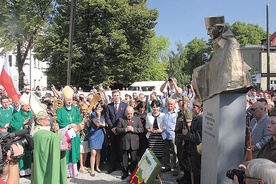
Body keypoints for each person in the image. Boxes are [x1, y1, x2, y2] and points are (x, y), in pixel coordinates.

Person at [192, 16, 252, 103]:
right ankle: (205, 101)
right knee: (197, 71)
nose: (208, 33)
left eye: (210, 29)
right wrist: (207, 63)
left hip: (228, 83)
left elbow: (231, 66)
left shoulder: (232, 43)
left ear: (220, 28)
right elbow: (217, 64)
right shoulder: (217, 47)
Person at [29, 93, 84, 184]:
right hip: (45, 166)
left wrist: (56, 131)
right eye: (45, 118)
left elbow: (54, 137)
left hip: (47, 161)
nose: (48, 119)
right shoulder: (40, 133)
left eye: (48, 117)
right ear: (38, 121)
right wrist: (75, 129)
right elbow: (59, 140)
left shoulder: (43, 129)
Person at [56, 86, 82, 178]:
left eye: (70, 99)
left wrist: (75, 124)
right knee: (66, 153)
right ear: (64, 100)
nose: (69, 101)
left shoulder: (75, 109)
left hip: (74, 134)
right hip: (65, 134)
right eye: (67, 100)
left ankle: (73, 172)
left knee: (73, 152)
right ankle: (65, 172)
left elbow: (79, 119)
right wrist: (68, 126)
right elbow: (58, 121)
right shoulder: (60, 109)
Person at [116, 106, 144, 180]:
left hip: (134, 143)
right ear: (125, 113)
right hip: (124, 142)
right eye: (128, 113)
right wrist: (124, 130)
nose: (130, 115)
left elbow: (141, 129)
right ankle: (125, 173)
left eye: (131, 113)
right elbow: (117, 129)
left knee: (133, 159)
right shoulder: (121, 119)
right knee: (124, 159)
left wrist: (133, 129)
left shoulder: (137, 119)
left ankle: (132, 173)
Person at [105, 89, 128, 174]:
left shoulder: (125, 105)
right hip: (112, 131)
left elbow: (125, 117)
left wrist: (119, 128)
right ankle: (112, 166)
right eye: (114, 96)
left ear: (120, 95)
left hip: (121, 130)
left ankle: (123, 167)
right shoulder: (109, 106)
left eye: (117, 95)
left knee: (122, 149)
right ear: (112, 97)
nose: (116, 97)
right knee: (113, 149)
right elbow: (107, 118)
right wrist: (112, 128)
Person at [10, 93, 33, 176]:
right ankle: (22, 169)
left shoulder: (31, 114)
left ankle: (28, 168)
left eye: (29, 105)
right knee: (21, 153)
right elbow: (13, 125)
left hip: (29, 137)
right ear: (22, 106)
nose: (28, 107)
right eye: (26, 105)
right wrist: (23, 123)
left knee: (28, 153)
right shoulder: (16, 115)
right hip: (20, 138)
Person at [182, 101, 203, 184]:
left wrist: (187, 134)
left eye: (195, 107)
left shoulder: (201, 120)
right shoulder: (196, 119)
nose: (193, 109)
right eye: (193, 107)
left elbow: (198, 138)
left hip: (196, 150)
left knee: (197, 172)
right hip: (192, 149)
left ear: (200, 109)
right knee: (194, 171)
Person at [175, 97, 193, 183]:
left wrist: (185, 140)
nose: (178, 103)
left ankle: (187, 178)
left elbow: (188, 127)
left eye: (180, 101)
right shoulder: (180, 112)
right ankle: (185, 176)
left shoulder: (187, 112)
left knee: (185, 159)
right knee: (181, 158)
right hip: (178, 137)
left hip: (183, 138)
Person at [89, 103, 107, 176]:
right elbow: (97, 124)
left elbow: (105, 124)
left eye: (100, 108)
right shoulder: (93, 114)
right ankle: (92, 169)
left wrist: (102, 123)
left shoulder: (104, 115)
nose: (98, 109)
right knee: (93, 153)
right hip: (93, 135)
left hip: (100, 134)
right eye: (97, 108)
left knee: (98, 151)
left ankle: (97, 167)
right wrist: (98, 116)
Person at [162, 99, 178, 176]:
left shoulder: (177, 113)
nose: (170, 106)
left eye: (171, 104)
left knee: (175, 153)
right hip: (165, 135)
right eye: (169, 104)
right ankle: (167, 166)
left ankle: (175, 168)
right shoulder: (164, 112)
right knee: (166, 152)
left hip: (173, 135)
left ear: (174, 105)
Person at [78, 104, 91, 174]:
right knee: (81, 152)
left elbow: (89, 125)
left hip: (87, 136)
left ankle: (84, 164)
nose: (84, 112)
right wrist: (83, 119)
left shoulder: (88, 118)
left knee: (85, 151)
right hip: (81, 136)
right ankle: (81, 166)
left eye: (85, 110)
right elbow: (80, 126)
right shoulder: (79, 117)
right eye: (83, 110)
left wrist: (87, 119)